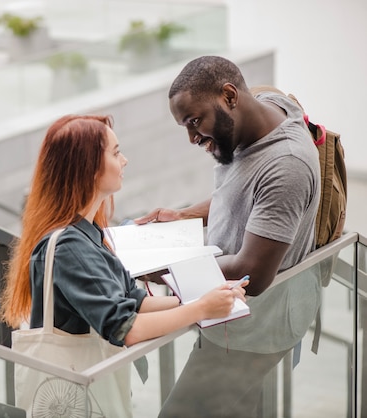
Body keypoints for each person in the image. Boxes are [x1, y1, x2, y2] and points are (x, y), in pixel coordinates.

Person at [135, 56, 322, 417]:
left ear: (230, 96)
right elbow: (245, 192)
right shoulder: (264, 113)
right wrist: (186, 214)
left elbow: (250, 273)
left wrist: (158, 268)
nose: (192, 138)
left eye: (194, 121)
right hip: (234, 321)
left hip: (251, 334)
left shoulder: (286, 165)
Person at [0, 113, 246, 352]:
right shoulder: (70, 246)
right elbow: (126, 329)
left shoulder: (88, 234)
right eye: (116, 152)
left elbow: (136, 301)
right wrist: (201, 308)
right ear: (88, 167)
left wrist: (212, 297)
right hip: (77, 387)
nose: (124, 160)